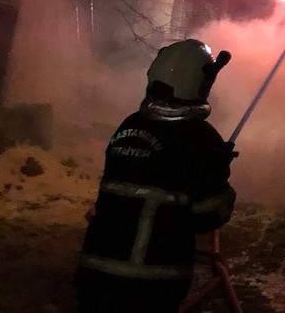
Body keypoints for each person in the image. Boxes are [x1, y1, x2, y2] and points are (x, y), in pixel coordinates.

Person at [76, 39, 237, 313]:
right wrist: (218, 171)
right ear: (199, 83)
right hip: (152, 285)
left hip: (95, 276)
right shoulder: (200, 138)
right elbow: (210, 215)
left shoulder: (129, 125)